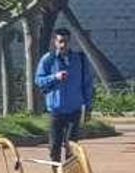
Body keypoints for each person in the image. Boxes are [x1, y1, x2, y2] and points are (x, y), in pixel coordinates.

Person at [35, 28, 94, 163]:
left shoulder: (80, 59)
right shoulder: (48, 59)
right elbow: (39, 81)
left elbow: (87, 84)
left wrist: (88, 106)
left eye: (66, 41)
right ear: (55, 42)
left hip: (75, 109)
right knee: (54, 147)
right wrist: (55, 77)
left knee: (71, 147)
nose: (63, 45)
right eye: (60, 41)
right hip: (56, 110)